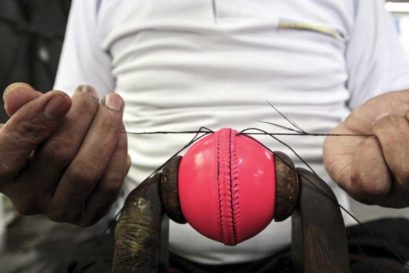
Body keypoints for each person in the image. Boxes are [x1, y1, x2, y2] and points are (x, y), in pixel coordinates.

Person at [2, 0, 409, 271]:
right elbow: (82, 123)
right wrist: (60, 164)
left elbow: (385, 116)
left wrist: (393, 145)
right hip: (143, 248)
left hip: (328, 247)